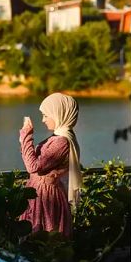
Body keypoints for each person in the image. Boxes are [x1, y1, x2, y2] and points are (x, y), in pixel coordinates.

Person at [18, 93, 82, 237]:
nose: (43, 120)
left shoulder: (61, 141)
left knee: (42, 239)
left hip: (45, 196)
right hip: (40, 191)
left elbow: (33, 166)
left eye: (46, 115)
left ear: (59, 114)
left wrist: (26, 135)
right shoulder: (59, 137)